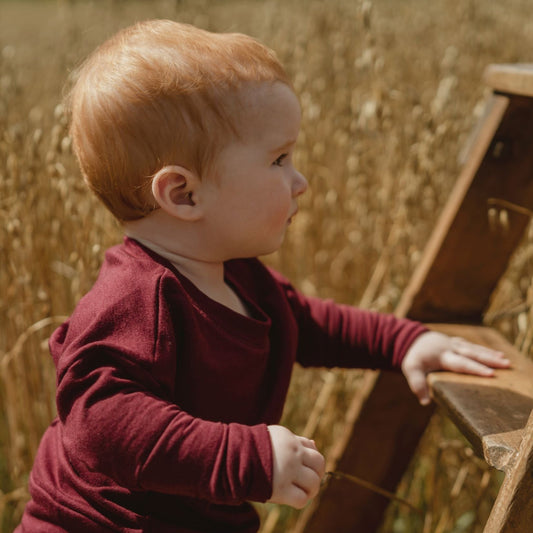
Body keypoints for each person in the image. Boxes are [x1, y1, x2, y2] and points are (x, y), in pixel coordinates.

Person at [16, 19, 510, 533]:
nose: (301, 182)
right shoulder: (135, 299)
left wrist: (404, 342)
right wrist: (243, 458)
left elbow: (306, 323)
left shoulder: (237, 277)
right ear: (184, 195)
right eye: (278, 159)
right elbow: (100, 424)